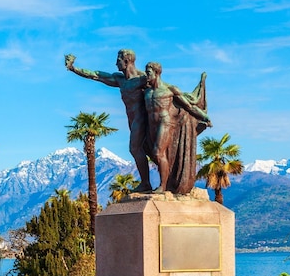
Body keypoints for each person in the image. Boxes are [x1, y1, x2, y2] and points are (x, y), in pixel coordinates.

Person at [65, 50, 155, 192]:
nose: (115, 63)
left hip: (142, 119)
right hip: (132, 121)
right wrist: (73, 68)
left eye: (118, 60)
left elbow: (162, 88)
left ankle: (146, 183)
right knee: (143, 149)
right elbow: (96, 75)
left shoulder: (143, 79)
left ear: (127, 61)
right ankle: (150, 182)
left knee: (135, 148)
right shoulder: (120, 80)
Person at [144, 62, 211, 195]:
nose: (146, 76)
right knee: (155, 153)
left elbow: (189, 106)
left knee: (158, 153)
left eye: (149, 73)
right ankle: (166, 181)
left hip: (165, 123)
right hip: (152, 125)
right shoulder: (146, 91)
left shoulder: (169, 90)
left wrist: (204, 117)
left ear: (157, 73)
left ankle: (163, 186)